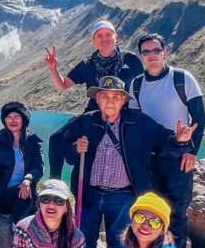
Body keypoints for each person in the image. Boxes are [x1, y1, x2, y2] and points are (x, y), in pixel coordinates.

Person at [59, 76, 197, 248]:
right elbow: (63, 147)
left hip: (123, 197)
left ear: (124, 100)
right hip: (90, 194)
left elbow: (164, 142)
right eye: (104, 96)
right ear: (97, 99)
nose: (109, 101)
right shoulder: (85, 122)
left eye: (115, 97)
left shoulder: (140, 122)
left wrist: (180, 141)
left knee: (118, 246)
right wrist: (75, 148)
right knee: (84, 241)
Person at [128, 33, 205, 248]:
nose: (151, 55)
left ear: (165, 52)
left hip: (179, 157)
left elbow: (199, 116)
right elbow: (135, 124)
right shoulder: (136, 86)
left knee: (177, 210)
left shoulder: (182, 79)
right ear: (141, 56)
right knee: (150, 209)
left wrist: (192, 152)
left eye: (156, 50)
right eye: (146, 52)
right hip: (150, 159)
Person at [44, 20, 144, 178]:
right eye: (99, 36)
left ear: (116, 37)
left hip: (123, 112)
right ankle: (54, 183)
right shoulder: (87, 65)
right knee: (56, 139)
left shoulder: (131, 60)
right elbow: (62, 86)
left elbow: (143, 87)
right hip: (94, 112)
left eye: (108, 34)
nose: (104, 39)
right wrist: (53, 69)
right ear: (93, 40)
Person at [0, 101, 44, 222]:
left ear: (23, 120)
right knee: (25, 199)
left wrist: (28, 179)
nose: (13, 121)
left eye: (17, 117)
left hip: (25, 190)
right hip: (1, 194)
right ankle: (18, 229)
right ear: (4, 121)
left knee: (26, 196)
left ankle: (17, 226)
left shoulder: (33, 142)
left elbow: (38, 168)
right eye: (9, 118)